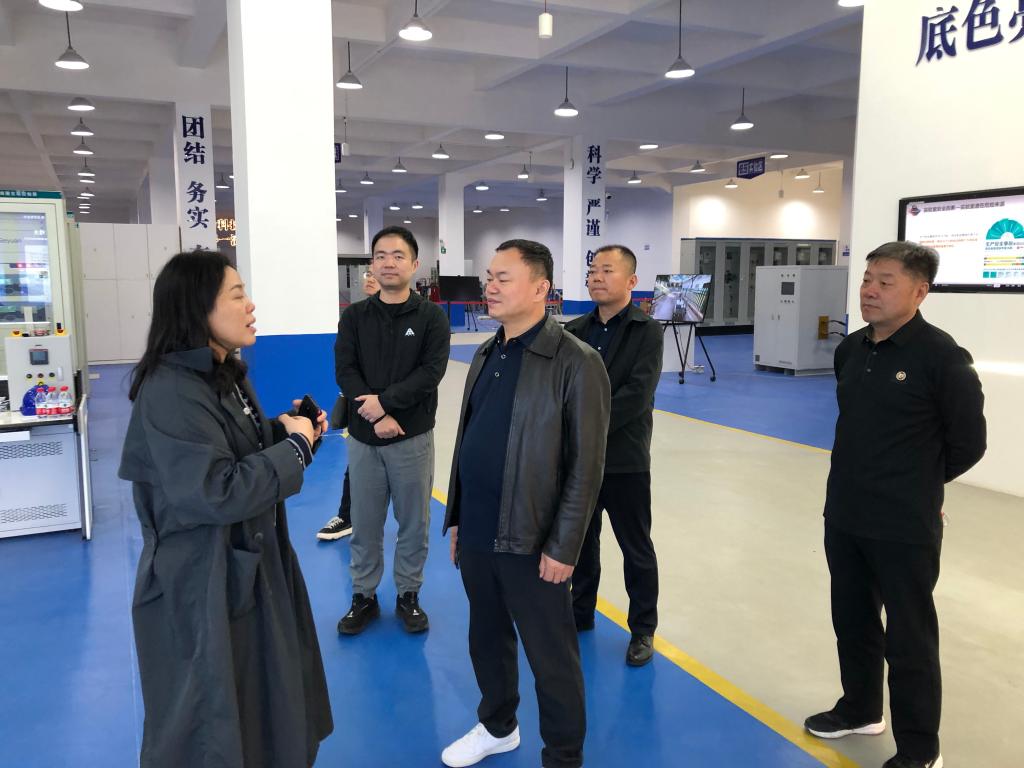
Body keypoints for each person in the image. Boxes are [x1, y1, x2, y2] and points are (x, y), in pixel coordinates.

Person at [118, 250, 333, 768]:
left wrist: (288, 432)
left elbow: (235, 446)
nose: (251, 305)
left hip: (247, 562)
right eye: (237, 295)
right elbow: (214, 489)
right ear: (198, 309)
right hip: (203, 575)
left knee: (263, 694)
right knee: (209, 713)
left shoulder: (224, 373)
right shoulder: (170, 390)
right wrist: (293, 449)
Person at [805, 242, 986, 768]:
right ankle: (860, 709)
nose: (869, 290)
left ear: (919, 291)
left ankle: (920, 748)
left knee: (910, 637)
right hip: (845, 513)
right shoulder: (852, 349)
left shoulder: (942, 357)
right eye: (867, 279)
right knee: (853, 619)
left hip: (904, 523)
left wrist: (920, 486)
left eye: (885, 282)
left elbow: (969, 443)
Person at [441, 240, 610, 768]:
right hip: (478, 530)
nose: (490, 286)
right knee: (486, 638)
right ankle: (498, 726)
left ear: (541, 288)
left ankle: (563, 754)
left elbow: (586, 466)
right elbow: (467, 441)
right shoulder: (486, 353)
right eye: (488, 277)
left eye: (503, 278)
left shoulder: (576, 362)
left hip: (533, 537)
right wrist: (456, 517)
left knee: (551, 656)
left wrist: (564, 545)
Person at [335, 226, 450, 634]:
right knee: (365, 522)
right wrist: (375, 414)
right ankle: (363, 596)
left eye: (398, 255)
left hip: (412, 437)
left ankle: (408, 594)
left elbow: (430, 373)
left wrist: (385, 403)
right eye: (381, 255)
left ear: (414, 264)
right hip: (364, 439)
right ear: (372, 263)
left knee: (413, 523)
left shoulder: (431, 318)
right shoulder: (355, 317)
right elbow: (345, 371)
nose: (388, 262)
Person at [565, 244, 663, 666]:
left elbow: (637, 395)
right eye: (593, 271)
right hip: (579, 462)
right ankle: (580, 612)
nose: (597, 277)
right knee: (581, 543)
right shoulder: (574, 331)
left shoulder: (647, 332)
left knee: (635, 548)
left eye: (607, 270)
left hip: (625, 460)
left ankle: (642, 629)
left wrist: (584, 427)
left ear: (632, 281)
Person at [318, 271, 381, 541]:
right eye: (370, 272)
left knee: (404, 475)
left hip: (399, 413)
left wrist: (386, 405)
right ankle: (347, 517)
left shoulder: (415, 317)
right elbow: (345, 365)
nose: (371, 277)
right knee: (355, 465)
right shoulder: (355, 316)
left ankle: (410, 528)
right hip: (362, 408)